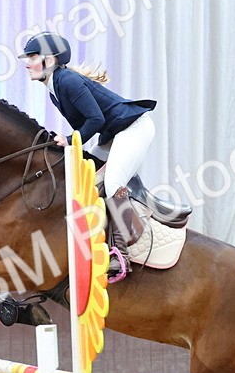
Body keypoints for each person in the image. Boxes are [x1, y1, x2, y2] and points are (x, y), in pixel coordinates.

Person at [19, 32, 156, 280]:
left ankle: (122, 254)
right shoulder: (55, 88)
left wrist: (71, 140)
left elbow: (96, 119)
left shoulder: (67, 81)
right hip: (115, 133)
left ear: (49, 60)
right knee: (85, 179)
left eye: (32, 57)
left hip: (133, 128)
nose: (27, 63)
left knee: (113, 183)